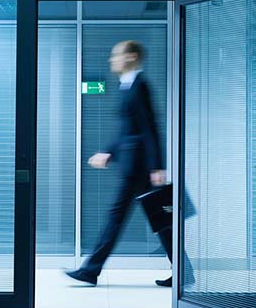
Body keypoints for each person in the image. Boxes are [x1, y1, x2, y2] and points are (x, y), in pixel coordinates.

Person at [65, 40, 175, 287]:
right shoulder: (126, 85)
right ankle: (183, 271)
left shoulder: (140, 86)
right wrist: (108, 152)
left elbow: (149, 128)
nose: (111, 59)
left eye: (116, 55)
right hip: (134, 165)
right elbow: (127, 130)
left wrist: (157, 166)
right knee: (159, 220)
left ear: (131, 57)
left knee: (119, 217)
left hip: (139, 167)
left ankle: (90, 270)